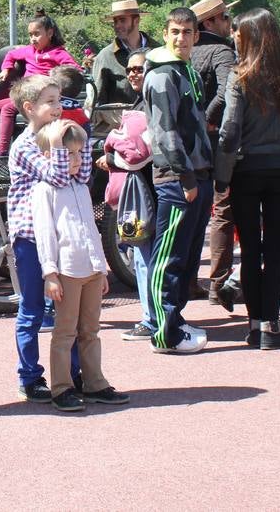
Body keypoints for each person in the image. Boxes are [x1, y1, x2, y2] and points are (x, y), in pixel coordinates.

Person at [216, 8, 280, 349]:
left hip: (247, 168)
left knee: (251, 250)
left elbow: (229, 130)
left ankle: (255, 325)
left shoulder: (240, 76)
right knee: (275, 250)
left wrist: (222, 175)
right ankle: (271, 324)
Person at [30, 120, 131, 412]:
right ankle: (61, 387)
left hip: (89, 269)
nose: (75, 160)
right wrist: (50, 273)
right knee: (65, 332)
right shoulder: (44, 190)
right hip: (67, 270)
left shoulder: (80, 188)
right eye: (68, 153)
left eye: (79, 153)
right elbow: (45, 234)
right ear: (52, 156)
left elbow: (91, 229)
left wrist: (100, 268)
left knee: (91, 330)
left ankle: (95, 383)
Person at [6, 74, 87, 401]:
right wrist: (56, 146)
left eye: (60, 100)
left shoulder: (64, 134)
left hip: (62, 233)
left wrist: (78, 139)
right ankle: (29, 377)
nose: (58, 107)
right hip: (30, 236)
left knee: (70, 309)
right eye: (50, 102)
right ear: (30, 108)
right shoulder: (24, 145)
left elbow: (81, 176)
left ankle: (73, 374)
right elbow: (55, 176)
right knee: (33, 307)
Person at [141, 7, 215, 354]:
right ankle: (163, 332)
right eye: (175, 32)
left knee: (186, 256)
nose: (181, 38)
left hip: (199, 175)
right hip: (176, 178)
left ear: (196, 36)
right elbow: (165, 133)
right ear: (165, 33)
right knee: (168, 258)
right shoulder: (161, 76)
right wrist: (186, 178)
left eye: (187, 32)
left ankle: (176, 319)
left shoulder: (189, 72)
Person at [190, 0, 239, 309]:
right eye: (224, 17)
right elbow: (226, 92)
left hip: (188, 145)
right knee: (223, 210)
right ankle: (217, 284)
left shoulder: (186, 53)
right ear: (210, 22)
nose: (228, 22)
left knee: (193, 214)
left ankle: (188, 280)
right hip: (217, 141)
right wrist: (207, 119)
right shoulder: (221, 51)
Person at [105, 51, 157, 342]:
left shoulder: (149, 103)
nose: (133, 74)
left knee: (143, 256)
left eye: (139, 68)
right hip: (147, 189)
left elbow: (136, 156)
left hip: (146, 193)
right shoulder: (145, 100)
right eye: (130, 70)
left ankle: (151, 320)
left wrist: (111, 152)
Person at [0, 11, 78, 157]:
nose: (32, 39)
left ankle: (2, 154)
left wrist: (56, 81)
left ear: (50, 33)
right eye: (30, 35)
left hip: (41, 96)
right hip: (24, 94)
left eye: (36, 34)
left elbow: (73, 69)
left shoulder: (58, 53)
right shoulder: (29, 51)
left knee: (7, 109)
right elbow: (11, 55)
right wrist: (6, 69)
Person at [92, 0, 155, 132]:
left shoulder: (157, 50)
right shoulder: (105, 56)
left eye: (122, 20)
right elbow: (97, 100)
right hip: (121, 129)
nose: (117, 25)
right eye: (115, 21)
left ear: (136, 20)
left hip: (156, 125)